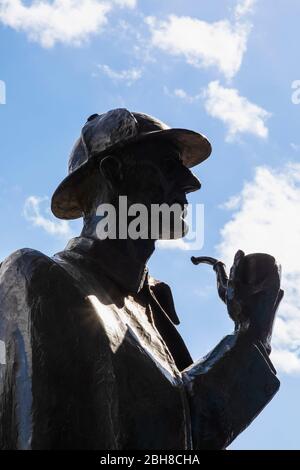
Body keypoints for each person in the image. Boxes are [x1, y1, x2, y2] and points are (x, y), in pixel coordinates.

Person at [0, 109, 283, 449]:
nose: (191, 183)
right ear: (115, 172)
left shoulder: (151, 317)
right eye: (168, 165)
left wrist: (252, 331)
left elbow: (181, 437)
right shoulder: (39, 280)